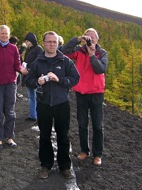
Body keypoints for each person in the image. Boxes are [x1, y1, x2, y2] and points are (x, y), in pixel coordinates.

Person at [26, 31, 80, 180]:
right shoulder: (38, 62)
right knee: (44, 136)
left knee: (63, 136)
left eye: (54, 42)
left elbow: (76, 78)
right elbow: (27, 80)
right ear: (43, 43)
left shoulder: (65, 61)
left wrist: (60, 80)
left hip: (62, 104)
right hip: (43, 104)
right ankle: (46, 165)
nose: (51, 44)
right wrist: (37, 81)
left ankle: (64, 166)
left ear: (58, 43)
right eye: (49, 42)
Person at [62, 28, 108, 166]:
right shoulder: (79, 51)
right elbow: (64, 51)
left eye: (92, 37)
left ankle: (98, 154)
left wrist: (92, 55)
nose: (90, 40)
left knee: (97, 125)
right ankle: (84, 151)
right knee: (82, 124)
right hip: (81, 92)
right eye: (87, 37)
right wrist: (77, 39)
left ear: (97, 39)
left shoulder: (102, 53)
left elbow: (100, 69)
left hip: (96, 93)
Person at [21, 32, 43, 122]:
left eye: (27, 41)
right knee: (32, 96)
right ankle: (34, 114)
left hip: (34, 77)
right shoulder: (29, 49)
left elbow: (39, 62)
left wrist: (27, 65)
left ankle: (33, 115)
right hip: (29, 76)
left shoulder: (38, 49)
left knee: (33, 97)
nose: (27, 42)